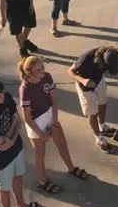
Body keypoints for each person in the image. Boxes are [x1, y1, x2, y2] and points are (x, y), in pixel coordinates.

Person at [17, 56, 86, 195]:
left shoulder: (47, 77)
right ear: (29, 72)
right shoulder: (25, 89)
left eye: (42, 67)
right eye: (38, 69)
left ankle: (71, 168)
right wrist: (41, 134)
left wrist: (54, 121)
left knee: (62, 143)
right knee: (40, 154)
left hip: (49, 115)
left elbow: (54, 100)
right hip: (35, 122)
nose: (42, 71)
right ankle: (43, 181)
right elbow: (27, 118)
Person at [0, 77, 43, 207]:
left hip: (16, 150)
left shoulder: (6, 97)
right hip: (1, 159)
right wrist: (14, 132)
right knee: (4, 189)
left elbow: (18, 119)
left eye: (2, 93)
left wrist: (10, 138)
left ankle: (22, 205)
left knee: (18, 177)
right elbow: (1, 146)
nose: (2, 97)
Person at [68, 45, 118, 153]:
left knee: (103, 102)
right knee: (92, 113)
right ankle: (98, 138)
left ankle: (102, 126)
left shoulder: (113, 56)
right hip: (85, 86)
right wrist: (83, 80)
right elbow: (70, 71)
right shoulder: (86, 58)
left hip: (98, 79)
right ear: (102, 60)